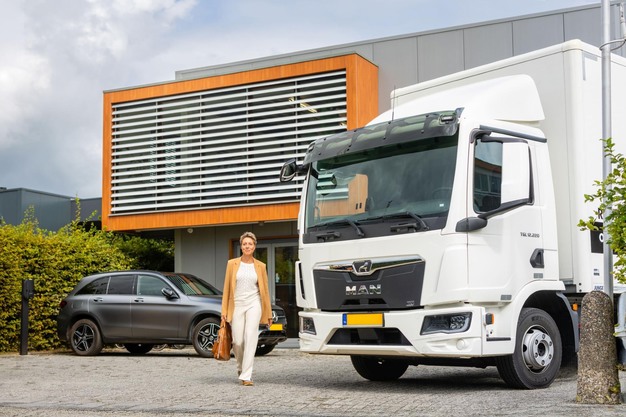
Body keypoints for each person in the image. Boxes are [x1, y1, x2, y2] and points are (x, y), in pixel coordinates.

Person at [221, 231, 273, 386]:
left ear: (254, 246)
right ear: (241, 246)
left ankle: (247, 375)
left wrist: (268, 313)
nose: (247, 246)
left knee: (251, 337)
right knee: (237, 341)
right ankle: (240, 367)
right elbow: (226, 289)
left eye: (250, 244)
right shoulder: (232, 264)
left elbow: (265, 291)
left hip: (254, 303)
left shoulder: (261, 266)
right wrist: (224, 311)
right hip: (236, 304)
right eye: (245, 244)